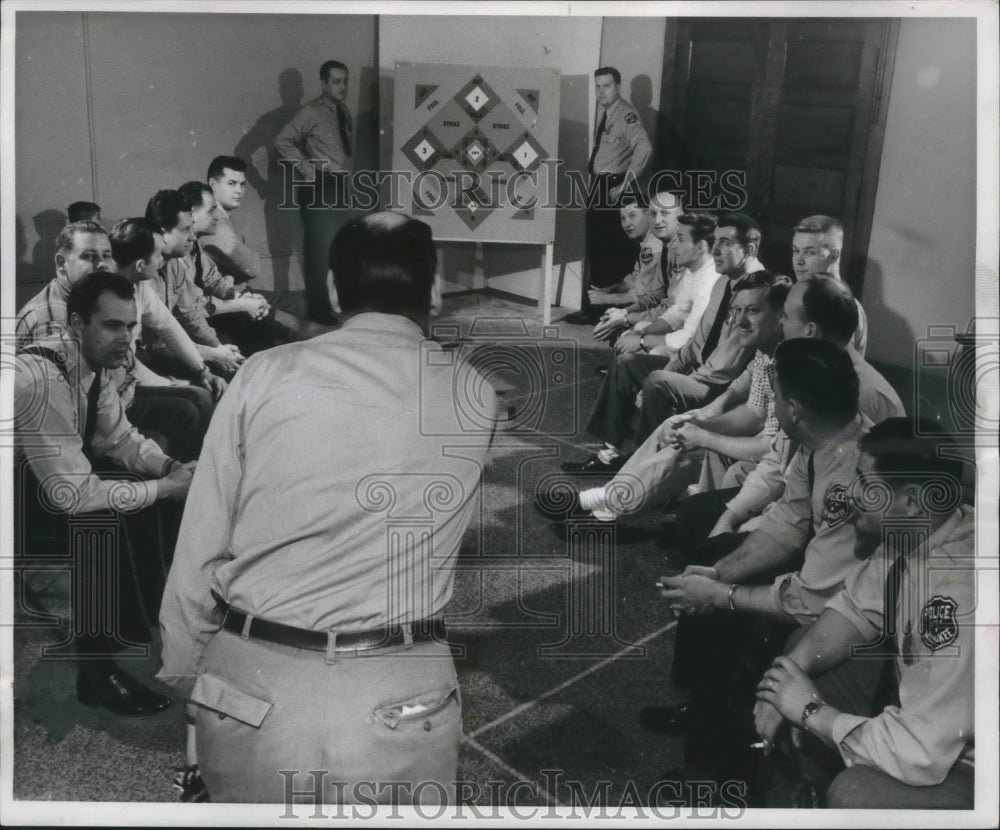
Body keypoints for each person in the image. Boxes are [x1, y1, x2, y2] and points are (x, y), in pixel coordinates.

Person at [158, 211, 498, 804]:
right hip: (401, 694)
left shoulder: (262, 377)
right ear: (435, 289)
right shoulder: (475, 392)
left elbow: (201, 546)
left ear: (336, 290)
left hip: (251, 688)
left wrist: (189, 678)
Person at [653, 338, 881, 803]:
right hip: (826, 575)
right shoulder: (817, 440)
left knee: (743, 629)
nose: (772, 405)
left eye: (776, 396)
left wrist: (721, 596)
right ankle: (703, 713)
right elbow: (787, 522)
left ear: (794, 409)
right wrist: (721, 574)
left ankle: (725, 780)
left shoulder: (852, 475)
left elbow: (811, 598)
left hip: (860, 610)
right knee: (719, 558)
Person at [756, 417, 973, 809]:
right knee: (800, 649)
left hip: (971, 762)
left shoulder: (960, 598)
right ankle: (807, 788)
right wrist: (782, 681)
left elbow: (919, 750)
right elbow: (854, 609)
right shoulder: (914, 534)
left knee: (856, 793)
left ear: (910, 501)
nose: (852, 493)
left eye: (867, 484)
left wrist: (809, 710)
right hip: (930, 720)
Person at [14, 272, 195, 717]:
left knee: (144, 493)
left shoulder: (92, 362)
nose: (127, 338)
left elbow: (118, 438)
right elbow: (72, 496)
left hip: (36, 483)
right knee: (98, 521)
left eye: (131, 326)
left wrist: (167, 470)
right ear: (77, 323)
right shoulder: (40, 378)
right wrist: (162, 488)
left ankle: (151, 623)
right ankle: (96, 675)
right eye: (113, 325)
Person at [667, 275, 904, 553]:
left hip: (839, 528)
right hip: (796, 496)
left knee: (710, 538)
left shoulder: (856, 392)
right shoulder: (811, 370)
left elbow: (820, 511)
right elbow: (782, 458)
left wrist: (746, 528)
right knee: (696, 516)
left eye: (787, 316)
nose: (780, 323)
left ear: (810, 330)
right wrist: (730, 518)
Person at [539, 269, 790, 524]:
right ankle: (607, 497)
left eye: (753, 311)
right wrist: (699, 424)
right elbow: (755, 412)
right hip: (753, 432)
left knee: (685, 451)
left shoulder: (787, 362)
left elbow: (770, 445)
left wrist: (704, 434)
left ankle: (607, 508)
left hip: (774, 462)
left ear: (781, 315)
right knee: (674, 426)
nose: (739, 322)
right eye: (736, 311)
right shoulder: (765, 352)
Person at [563, 212, 762, 473]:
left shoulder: (759, 290)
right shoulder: (723, 281)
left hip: (720, 385)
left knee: (657, 382)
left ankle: (644, 465)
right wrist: (671, 367)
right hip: (700, 369)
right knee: (627, 363)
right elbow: (697, 341)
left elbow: (730, 363)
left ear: (749, 249)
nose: (716, 250)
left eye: (725, 243)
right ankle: (609, 455)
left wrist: (674, 372)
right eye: (716, 241)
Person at [108, 217, 221, 461]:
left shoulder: (138, 283)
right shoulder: (108, 298)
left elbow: (167, 325)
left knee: (200, 394)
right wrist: (166, 383)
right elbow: (119, 366)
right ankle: (186, 472)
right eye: (159, 255)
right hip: (115, 395)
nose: (162, 260)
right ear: (140, 264)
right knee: (193, 403)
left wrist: (202, 371)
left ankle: (197, 470)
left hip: (129, 379)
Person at [565, 66, 652, 325]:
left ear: (619, 87)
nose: (601, 91)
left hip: (611, 185)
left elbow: (644, 148)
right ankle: (597, 307)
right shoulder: (609, 113)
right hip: (600, 184)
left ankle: (600, 311)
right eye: (598, 86)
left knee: (605, 248)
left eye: (607, 86)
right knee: (599, 246)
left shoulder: (626, 115)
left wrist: (625, 182)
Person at [274, 60, 354, 325]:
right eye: (336, 81)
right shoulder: (310, 112)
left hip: (340, 186)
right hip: (320, 186)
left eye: (345, 81)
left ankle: (337, 306)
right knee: (318, 250)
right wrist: (306, 167)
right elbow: (282, 140)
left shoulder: (342, 111)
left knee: (339, 248)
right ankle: (321, 312)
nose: (342, 87)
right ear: (323, 83)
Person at [144, 189, 245, 379]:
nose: (192, 236)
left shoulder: (173, 263)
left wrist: (220, 349)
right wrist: (214, 355)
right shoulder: (144, 275)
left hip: (167, 348)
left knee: (233, 361)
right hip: (146, 360)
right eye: (184, 230)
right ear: (162, 234)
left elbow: (189, 315)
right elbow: (156, 343)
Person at [592, 190, 686, 344]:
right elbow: (654, 295)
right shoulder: (665, 247)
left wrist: (624, 316)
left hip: (682, 324)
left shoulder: (669, 249)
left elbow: (670, 306)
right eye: (653, 214)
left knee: (633, 328)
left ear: (680, 216)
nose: (657, 221)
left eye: (665, 213)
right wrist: (624, 312)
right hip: (668, 314)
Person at [790, 215, 867, 354]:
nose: (799, 261)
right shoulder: (799, 296)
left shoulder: (840, 307)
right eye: (796, 251)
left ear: (834, 255)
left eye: (809, 252)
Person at [584, 196, 664, 318]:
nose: (627, 224)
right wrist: (610, 290)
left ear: (649, 215)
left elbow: (642, 293)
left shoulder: (653, 246)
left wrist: (606, 299)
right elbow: (634, 280)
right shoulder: (647, 243)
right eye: (623, 218)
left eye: (632, 216)